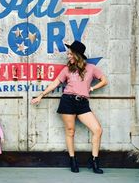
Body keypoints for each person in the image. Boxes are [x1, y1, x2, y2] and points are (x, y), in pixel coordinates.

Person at [31, 40, 108, 174]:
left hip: (83, 103)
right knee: (70, 131)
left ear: (77, 55)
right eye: (68, 54)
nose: (68, 56)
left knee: (97, 130)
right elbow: (55, 83)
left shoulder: (91, 68)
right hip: (68, 101)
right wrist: (41, 95)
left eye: (70, 54)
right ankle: (73, 160)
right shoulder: (67, 69)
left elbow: (104, 80)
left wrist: (92, 88)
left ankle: (94, 160)